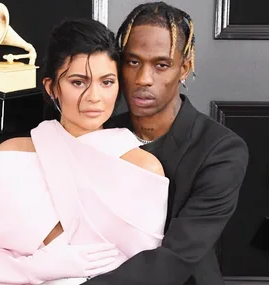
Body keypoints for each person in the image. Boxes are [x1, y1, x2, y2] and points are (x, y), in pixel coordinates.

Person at [0, 18, 169, 285]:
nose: (94, 96)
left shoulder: (143, 168)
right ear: (52, 87)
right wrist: (34, 268)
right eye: (78, 82)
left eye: (107, 82)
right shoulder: (12, 155)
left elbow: (146, 272)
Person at [83, 2, 249, 285]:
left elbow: (175, 258)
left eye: (161, 65)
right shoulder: (99, 133)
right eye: (133, 62)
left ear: (184, 69)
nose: (143, 79)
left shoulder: (222, 150)